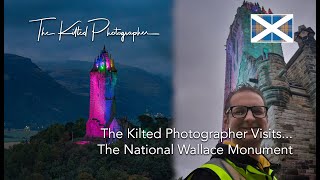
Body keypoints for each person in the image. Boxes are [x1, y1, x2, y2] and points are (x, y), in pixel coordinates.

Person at [185, 84, 279, 180]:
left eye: (257, 111)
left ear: (267, 120)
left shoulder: (271, 174)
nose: (250, 118)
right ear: (226, 122)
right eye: (239, 112)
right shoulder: (207, 175)